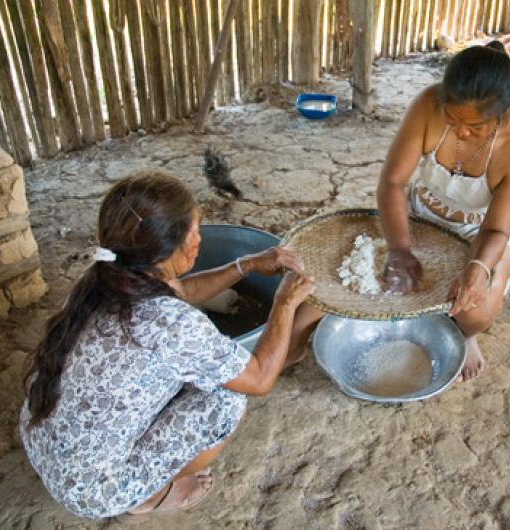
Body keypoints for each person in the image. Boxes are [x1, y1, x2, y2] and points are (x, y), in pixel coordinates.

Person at [19, 169, 322, 519]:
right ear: (170, 247)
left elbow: (184, 291)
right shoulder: (169, 324)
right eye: (194, 231)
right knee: (226, 399)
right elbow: (259, 379)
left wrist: (247, 264)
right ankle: (147, 495)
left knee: (190, 376)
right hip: (95, 490)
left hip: (43, 444)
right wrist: (284, 303)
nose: (199, 240)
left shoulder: (104, 277)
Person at [377, 42, 510, 382]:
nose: (462, 132)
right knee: (382, 280)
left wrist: (479, 268)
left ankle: (466, 338)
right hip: (420, 213)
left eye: (476, 127)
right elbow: (392, 183)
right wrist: (399, 249)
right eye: (451, 119)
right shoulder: (427, 104)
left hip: (480, 231)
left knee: (474, 311)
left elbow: (497, 230)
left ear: (504, 111)